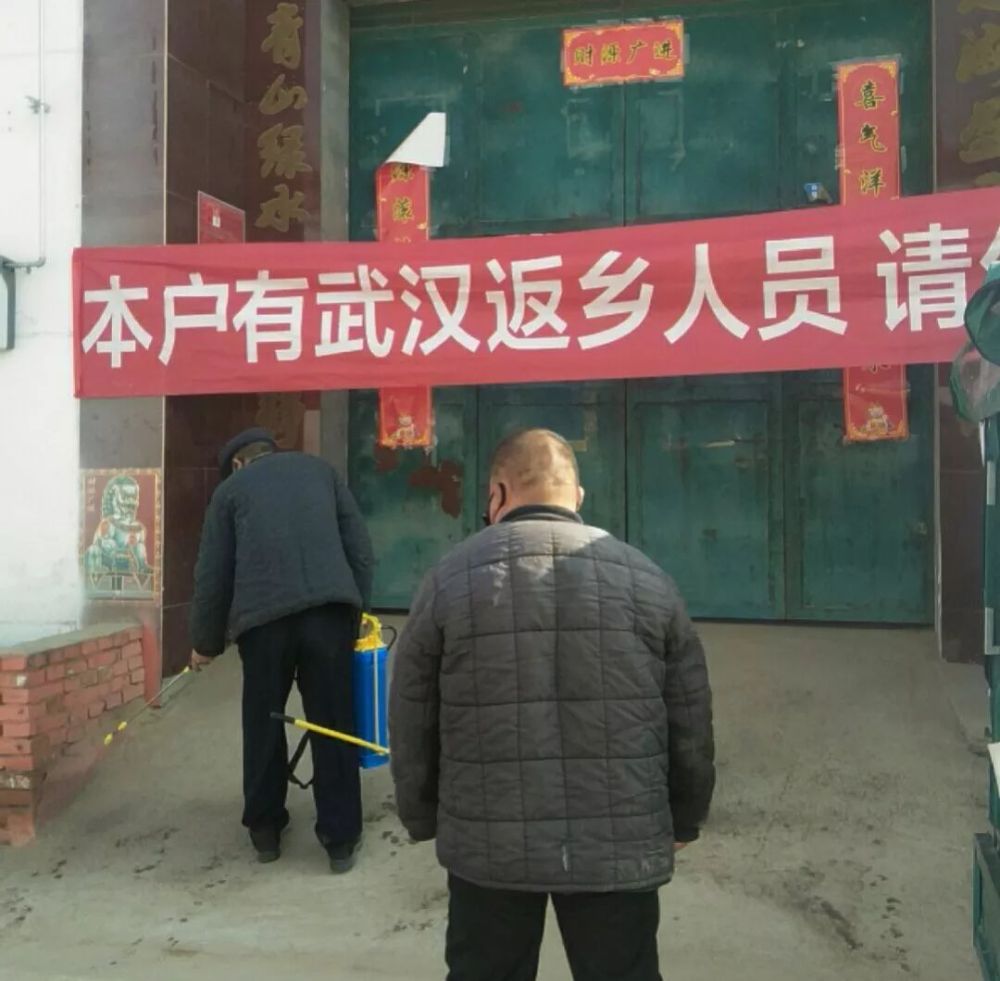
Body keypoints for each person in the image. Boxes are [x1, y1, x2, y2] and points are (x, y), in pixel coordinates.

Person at [389, 428, 715, 981]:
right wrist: (686, 814)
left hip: (488, 844)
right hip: (617, 843)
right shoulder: (646, 579)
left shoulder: (449, 579)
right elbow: (689, 714)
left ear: (496, 493)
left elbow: (413, 712)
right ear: (577, 496)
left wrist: (421, 813)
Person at [189, 427, 374, 872]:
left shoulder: (229, 493)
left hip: (262, 623)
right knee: (333, 721)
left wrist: (205, 644)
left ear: (237, 464)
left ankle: (265, 831)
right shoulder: (322, 472)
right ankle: (340, 840)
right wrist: (355, 613)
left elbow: (213, 574)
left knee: (264, 722)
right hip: (329, 614)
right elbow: (360, 549)